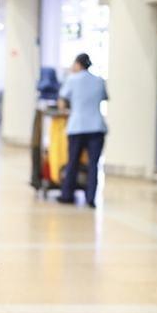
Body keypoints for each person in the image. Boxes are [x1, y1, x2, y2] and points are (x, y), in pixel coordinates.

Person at [57, 52, 108, 208]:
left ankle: (67, 195)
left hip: (77, 127)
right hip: (97, 128)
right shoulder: (99, 80)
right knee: (93, 164)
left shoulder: (72, 79)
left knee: (72, 162)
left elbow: (62, 103)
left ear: (78, 64)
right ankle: (90, 198)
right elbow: (104, 97)